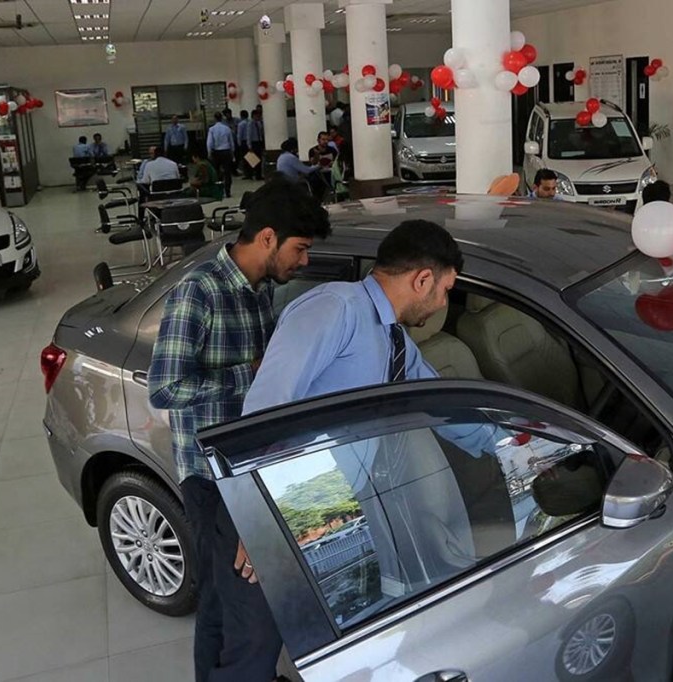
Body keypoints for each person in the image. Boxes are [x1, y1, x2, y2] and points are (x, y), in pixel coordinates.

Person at [149, 176, 331, 682]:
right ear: (268, 237)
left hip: (252, 463)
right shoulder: (199, 292)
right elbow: (164, 389)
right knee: (219, 597)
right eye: (300, 249)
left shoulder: (261, 291)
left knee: (239, 596)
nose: (304, 262)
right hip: (210, 477)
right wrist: (248, 374)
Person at [243, 219, 462, 415]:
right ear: (423, 280)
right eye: (446, 290)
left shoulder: (397, 341)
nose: (443, 303)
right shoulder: (333, 310)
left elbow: (439, 402)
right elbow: (266, 409)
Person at [207, 112, 236, 198]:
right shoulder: (227, 128)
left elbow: (210, 142)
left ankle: (219, 190)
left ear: (215, 118)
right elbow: (231, 142)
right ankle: (228, 191)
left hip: (216, 152)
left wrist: (209, 152)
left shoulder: (212, 129)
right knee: (227, 172)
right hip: (226, 151)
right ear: (222, 118)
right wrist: (232, 153)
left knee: (216, 172)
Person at [248, 109, 265, 181]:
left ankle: (259, 174)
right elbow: (249, 135)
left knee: (259, 159)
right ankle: (254, 174)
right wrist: (249, 146)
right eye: (257, 115)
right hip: (254, 143)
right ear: (253, 115)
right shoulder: (250, 124)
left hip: (259, 142)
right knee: (254, 160)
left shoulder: (259, 123)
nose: (258, 117)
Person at [236, 110, 252, 178]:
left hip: (244, 142)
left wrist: (239, 144)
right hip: (251, 142)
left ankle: (247, 174)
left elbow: (239, 135)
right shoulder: (250, 122)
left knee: (245, 159)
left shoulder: (241, 124)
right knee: (251, 158)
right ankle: (252, 172)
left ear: (241, 116)